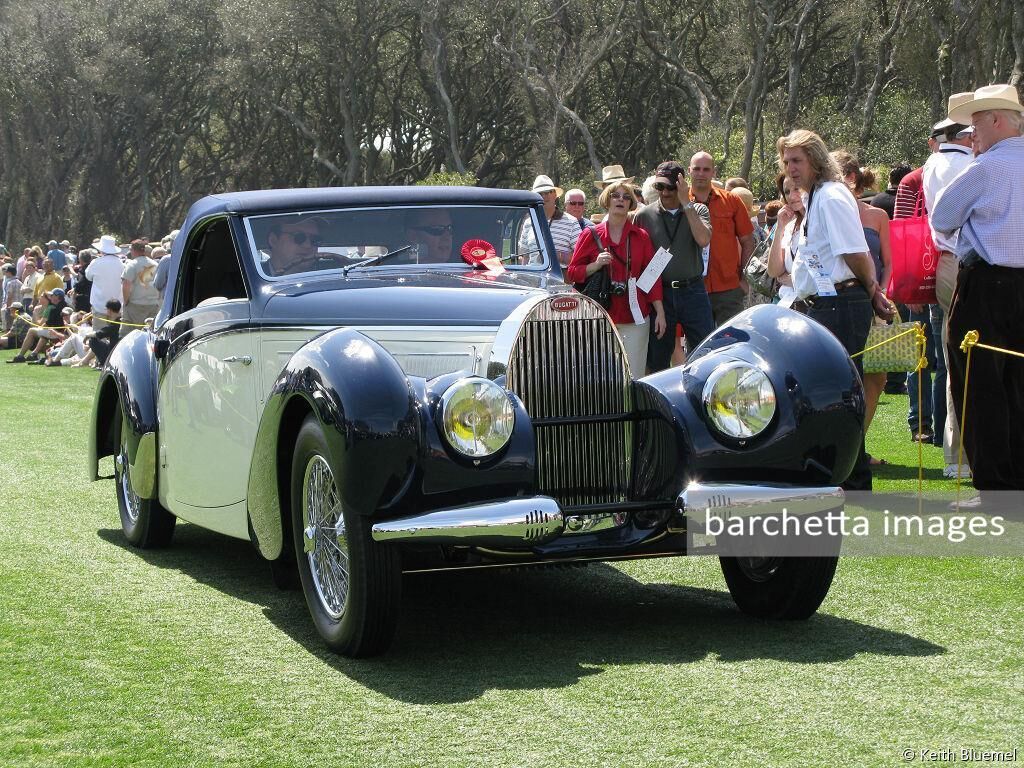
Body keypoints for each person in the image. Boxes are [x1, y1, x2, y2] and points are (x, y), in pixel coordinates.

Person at [777, 129, 896, 491]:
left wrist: (874, 290)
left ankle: (855, 477)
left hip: (842, 303)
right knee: (832, 390)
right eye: (786, 162)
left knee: (844, 390)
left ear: (815, 160)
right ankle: (845, 472)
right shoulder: (815, 197)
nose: (791, 169)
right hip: (824, 303)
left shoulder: (830, 197)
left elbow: (855, 252)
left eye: (797, 161)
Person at [930, 84, 1024, 498]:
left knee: (978, 386)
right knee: (1018, 384)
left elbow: (944, 218)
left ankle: (995, 487)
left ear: (997, 120)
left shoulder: (984, 169)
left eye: (977, 125)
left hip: (985, 285)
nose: (972, 136)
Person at [922, 95, 976, 479]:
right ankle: (966, 456)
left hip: (945, 262)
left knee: (953, 357)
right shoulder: (968, 164)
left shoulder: (932, 163)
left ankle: (955, 456)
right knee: (972, 359)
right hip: (964, 263)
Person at [566, 180, 666, 376]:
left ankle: (632, 408)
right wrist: (595, 265)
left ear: (631, 203)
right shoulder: (590, 234)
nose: (621, 200)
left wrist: (660, 312)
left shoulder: (641, 236)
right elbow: (572, 272)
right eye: (616, 195)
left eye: (626, 196)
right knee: (598, 374)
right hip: (599, 315)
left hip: (635, 316)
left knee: (633, 374)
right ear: (607, 200)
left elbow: (652, 276)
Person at [633, 161, 712, 372]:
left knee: (706, 351)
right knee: (658, 358)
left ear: (681, 185)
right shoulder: (643, 216)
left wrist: (687, 204)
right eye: (660, 187)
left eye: (670, 186)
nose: (665, 192)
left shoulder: (698, 210)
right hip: (661, 294)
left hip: (693, 291)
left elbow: (703, 239)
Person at [687, 152, 755, 326]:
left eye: (706, 169)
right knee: (698, 345)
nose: (701, 173)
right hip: (693, 288)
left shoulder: (732, 201)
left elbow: (748, 240)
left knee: (732, 341)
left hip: (729, 288)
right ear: (689, 171)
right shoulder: (680, 203)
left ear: (714, 172)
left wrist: (743, 279)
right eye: (697, 169)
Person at [518, 174, 579, 266]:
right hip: (533, 278)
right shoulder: (528, 222)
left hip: (560, 278)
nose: (543, 196)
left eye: (547, 192)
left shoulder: (571, 222)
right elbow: (525, 257)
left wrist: (558, 256)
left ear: (555, 195)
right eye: (539, 194)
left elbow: (581, 256)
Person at [766, 174, 806, 311]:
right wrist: (780, 228)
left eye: (797, 189)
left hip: (815, 303)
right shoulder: (790, 226)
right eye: (787, 191)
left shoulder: (817, 222)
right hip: (789, 304)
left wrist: (793, 280)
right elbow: (774, 271)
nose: (791, 196)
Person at [120, 238, 160, 337]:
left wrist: (126, 301)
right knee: (149, 334)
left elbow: (126, 285)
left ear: (133, 250)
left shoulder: (132, 265)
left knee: (128, 335)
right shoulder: (155, 264)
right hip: (153, 304)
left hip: (135, 305)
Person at [86, 236, 126, 331]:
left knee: (99, 334)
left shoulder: (96, 262)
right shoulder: (121, 264)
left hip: (99, 305)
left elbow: (88, 276)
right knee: (115, 334)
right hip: (117, 306)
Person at [2, 263, 22, 331]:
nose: (5, 273)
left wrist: (8, 307)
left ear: (9, 273)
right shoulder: (20, 282)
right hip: (19, 307)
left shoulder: (10, 283)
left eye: (6, 272)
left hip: (11, 307)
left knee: (9, 325)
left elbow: (9, 296)